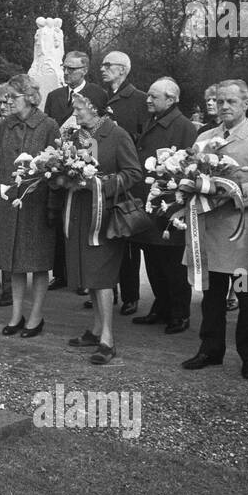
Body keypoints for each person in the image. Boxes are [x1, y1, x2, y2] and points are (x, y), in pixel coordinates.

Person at [181, 80, 248, 380]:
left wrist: (234, 190)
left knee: (247, 299)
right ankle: (210, 349)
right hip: (210, 231)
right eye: (220, 100)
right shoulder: (204, 138)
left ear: (246, 104)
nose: (224, 106)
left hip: (243, 235)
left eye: (231, 101)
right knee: (211, 295)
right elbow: (190, 172)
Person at [52, 91, 141, 364]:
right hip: (80, 214)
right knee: (89, 274)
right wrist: (61, 177)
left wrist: (100, 183)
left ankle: (107, 340)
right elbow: (69, 170)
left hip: (104, 217)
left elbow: (134, 173)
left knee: (101, 278)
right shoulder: (76, 136)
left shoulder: (117, 135)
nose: (76, 114)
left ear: (96, 109)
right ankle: (95, 329)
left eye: (80, 109)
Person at [0, 76, 60, 334]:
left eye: (12, 97)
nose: (7, 102)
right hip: (9, 204)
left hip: (36, 206)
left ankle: (36, 317)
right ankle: (16, 315)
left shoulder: (48, 125)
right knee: (13, 262)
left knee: (38, 264)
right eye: (6, 98)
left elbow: (55, 168)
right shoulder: (5, 126)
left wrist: (52, 205)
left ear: (29, 97)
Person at [130, 78, 198, 334]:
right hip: (149, 201)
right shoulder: (153, 120)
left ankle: (179, 313)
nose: (147, 100)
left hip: (169, 205)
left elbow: (189, 165)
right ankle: (161, 307)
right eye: (148, 95)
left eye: (153, 96)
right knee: (154, 260)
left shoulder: (183, 126)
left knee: (172, 263)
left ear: (171, 99)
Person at [43, 52, 109, 291]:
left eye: (72, 68)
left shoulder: (98, 94)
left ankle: (82, 276)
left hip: (88, 156)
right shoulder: (55, 96)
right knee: (61, 220)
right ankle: (60, 273)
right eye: (65, 68)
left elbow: (100, 125)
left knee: (81, 221)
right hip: (60, 161)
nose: (67, 72)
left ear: (84, 70)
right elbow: (51, 128)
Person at [100, 51, 146, 316]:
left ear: (123, 70)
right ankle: (107, 290)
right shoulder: (104, 97)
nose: (103, 69)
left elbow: (142, 138)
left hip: (126, 180)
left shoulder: (138, 99)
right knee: (106, 238)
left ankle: (131, 295)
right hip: (102, 178)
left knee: (127, 240)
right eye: (103, 65)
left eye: (109, 65)